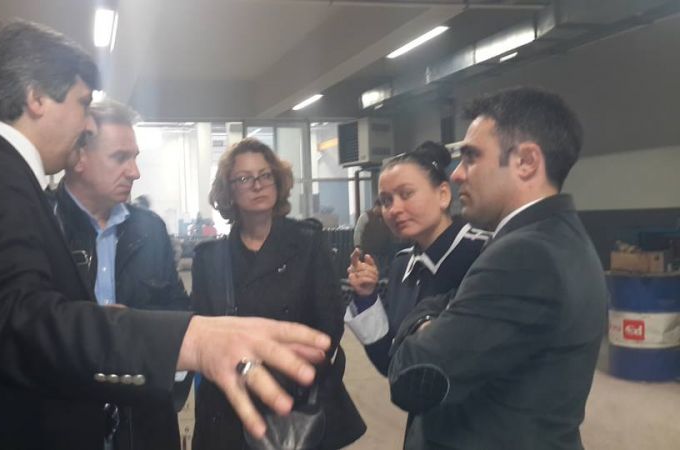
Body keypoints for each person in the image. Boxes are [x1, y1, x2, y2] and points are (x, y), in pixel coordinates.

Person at [0, 20, 331, 450]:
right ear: (36, 98)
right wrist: (189, 339)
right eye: (82, 104)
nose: (85, 125)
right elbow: (18, 322)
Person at [387, 87, 608, 450]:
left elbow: (412, 378)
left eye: (471, 157)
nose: (457, 175)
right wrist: (439, 314)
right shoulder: (556, 236)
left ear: (526, 162)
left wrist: (421, 317)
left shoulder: (525, 256)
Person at [191, 138, 365, 450]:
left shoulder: (308, 243)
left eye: (265, 175)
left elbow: (329, 325)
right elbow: (203, 335)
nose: (257, 185)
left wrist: (282, 369)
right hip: (231, 402)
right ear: (229, 190)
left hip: (292, 400)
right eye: (244, 178)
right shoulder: (210, 260)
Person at [53, 99, 191, 449]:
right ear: (79, 157)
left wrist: (136, 328)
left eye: (135, 157)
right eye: (120, 158)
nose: (135, 172)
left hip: (142, 423)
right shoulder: (41, 223)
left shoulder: (150, 229)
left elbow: (177, 311)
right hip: (63, 420)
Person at [345, 141, 489, 375]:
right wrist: (366, 297)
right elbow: (392, 363)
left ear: (443, 195)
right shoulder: (403, 266)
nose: (394, 209)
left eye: (406, 194)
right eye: (386, 201)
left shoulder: (482, 253)